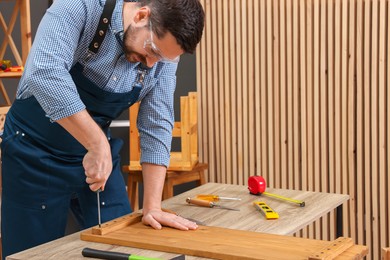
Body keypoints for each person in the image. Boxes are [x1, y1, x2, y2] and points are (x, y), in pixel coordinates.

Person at [0, 0, 204, 258]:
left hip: (99, 159)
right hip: (34, 153)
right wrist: (97, 143)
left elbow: (157, 121)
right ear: (141, 16)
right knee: (33, 254)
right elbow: (44, 72)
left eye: (161, 58)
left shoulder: (162, 52)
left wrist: (152, 206)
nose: (152, 64)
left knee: (123, 245)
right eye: (151, 50)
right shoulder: (80, 7)